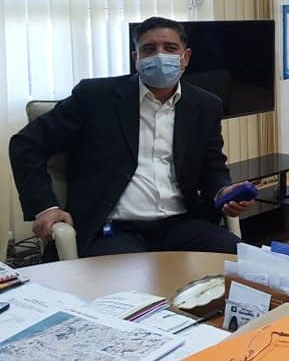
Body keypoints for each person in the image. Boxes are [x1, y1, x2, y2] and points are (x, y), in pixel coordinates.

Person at [10, 17, 254, 259]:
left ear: (185, 57)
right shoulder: (95, 98)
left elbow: (212, 167)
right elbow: (27, 144)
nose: (160, 56)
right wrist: (46, 208)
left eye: (170, 48)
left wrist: (223, 192)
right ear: (136, 58)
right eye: (149, 49)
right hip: (114, 230)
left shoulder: (205, 105)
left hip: (181, 224)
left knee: (244, 263)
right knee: (131, 281)